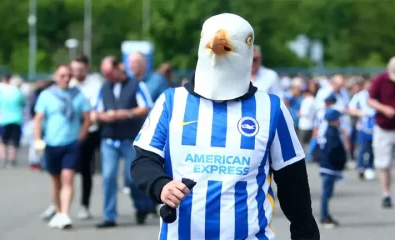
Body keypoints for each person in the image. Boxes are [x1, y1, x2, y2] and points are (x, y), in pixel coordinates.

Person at [131, 13, 319, 239]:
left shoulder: (272, 109)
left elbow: (293, 183)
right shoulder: (171, 102)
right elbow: (144, 160)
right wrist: (160, 185)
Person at [95, 56, 154, 228]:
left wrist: (126, 114)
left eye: (109, 73)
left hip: (130, 139)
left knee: (131, 178)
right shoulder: (105, 87)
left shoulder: (136, 85)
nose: (108, 78)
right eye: (105, 75)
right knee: (108, 177)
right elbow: (96, 111)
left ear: (118, 69)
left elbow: (146, 107)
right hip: (109, 139)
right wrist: (102, 116)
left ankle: (142, 206)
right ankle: (109, 216)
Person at [34, 65, 91, 229]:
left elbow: (87, 117)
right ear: (56, 77)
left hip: (71, 143)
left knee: (68, 177)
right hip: (52, 143)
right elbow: (38, 118)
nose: (66, 78)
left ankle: (65, 213)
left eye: (68, 76)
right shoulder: (46, 95)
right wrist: (38, 140)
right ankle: (58, 212)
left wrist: (81, 136)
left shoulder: (77, 95)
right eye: (62, 76)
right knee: (56, 181)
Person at [69, 54, 103, 219]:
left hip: (90, 132)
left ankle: (84, 204)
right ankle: (58, 205)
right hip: (69, 133)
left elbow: (96, 108)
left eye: (80, 69)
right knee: (63, 170)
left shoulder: (95, 85)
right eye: (74, 69)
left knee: (85, 170)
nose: (77, 73)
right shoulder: (67, 84)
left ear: (86, 68)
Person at [368, 56, 395, 208]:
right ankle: (386, 193)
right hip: (384, 127)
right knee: (383, 163)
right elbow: (370, 100)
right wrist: (384, 108)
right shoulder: (381, 79)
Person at [318, 108, 348, 228]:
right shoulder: (331, 132)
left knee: (328, 193)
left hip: (328, 166)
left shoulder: (329, 130)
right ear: (333, 120)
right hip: (329, 167)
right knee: (326, 193)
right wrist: (339, 163)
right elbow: (333, 151)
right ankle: (324, 216)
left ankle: (326, 215)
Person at [0, 73, 26, 168]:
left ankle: (2, 159)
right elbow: (24, 103)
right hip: (16, 119)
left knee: (3, 140)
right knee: (14, 141)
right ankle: (11, 160)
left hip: (4, 119)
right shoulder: (19, 92)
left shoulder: (3, 92)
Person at [348, 79, 376, 180]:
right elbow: (350, 109)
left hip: (375, 126)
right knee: (362, 148)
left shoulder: (374, 94)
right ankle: (361, 167)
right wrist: (359, 113)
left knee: (373, 147)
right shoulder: (358, 96)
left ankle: (369, 166)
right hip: (363, 127)